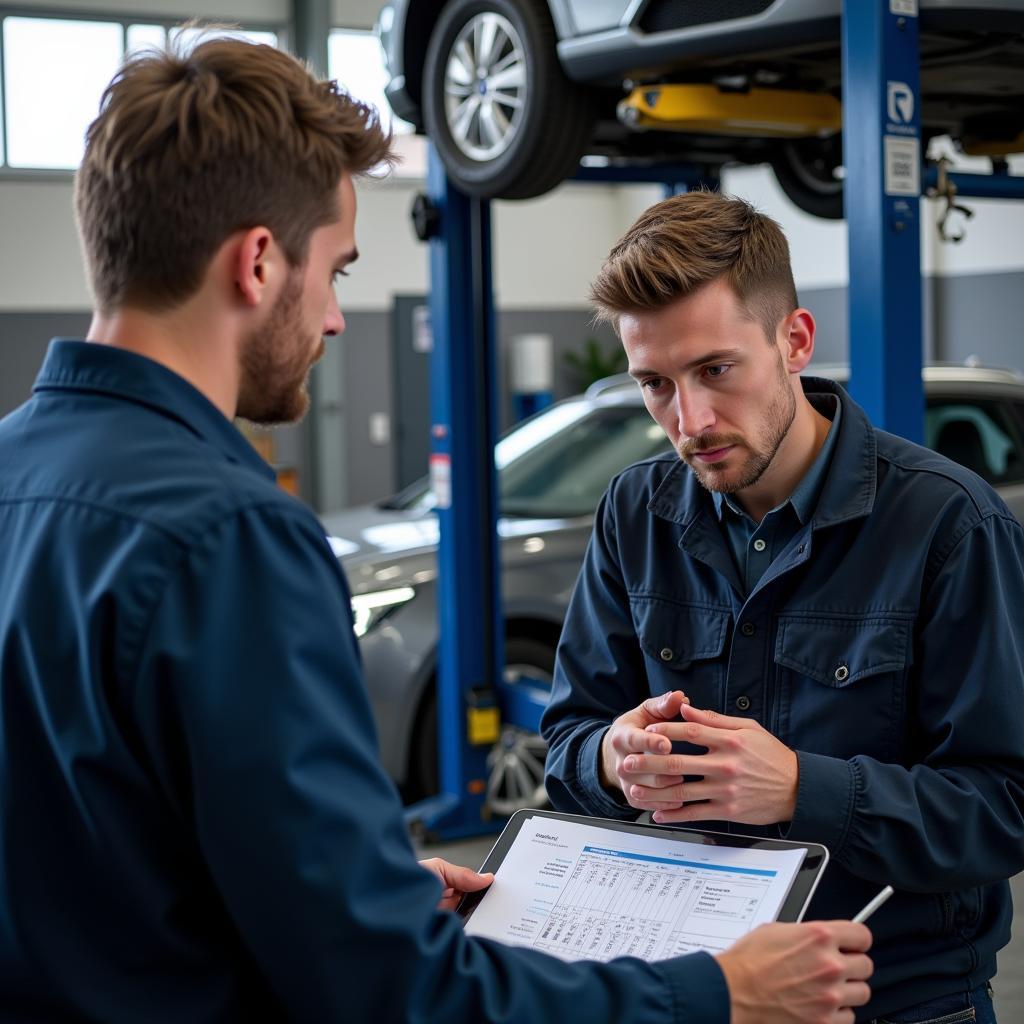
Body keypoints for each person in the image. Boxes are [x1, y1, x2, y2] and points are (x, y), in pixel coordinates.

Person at [0, 37, 874, 1024]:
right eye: (335, 271)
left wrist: (351, 891)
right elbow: (395, 993)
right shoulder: (230, 536)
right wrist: (710, 993)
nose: (334, 320)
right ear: (255, 262)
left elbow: (94, 862)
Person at [541, 190, 1024, 1023]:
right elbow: (568, 739)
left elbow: (1007, 805)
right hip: (699, 990)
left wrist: (804, 787)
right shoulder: (634, 514)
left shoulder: (948, 524)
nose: (688, 421)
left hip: (896, 1003)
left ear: (794, 340)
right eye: (655, 385)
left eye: (716, 371)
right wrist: (612, 756)